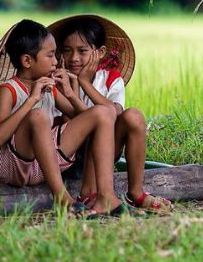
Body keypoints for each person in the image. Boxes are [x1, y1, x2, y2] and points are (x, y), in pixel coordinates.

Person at [0, 18, 126, 218]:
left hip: (44, 164)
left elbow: (85, 120)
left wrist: (70, 92)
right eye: (50, 55)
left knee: (103, 112)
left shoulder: (49, 87)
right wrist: (31, 100)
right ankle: (62, 197)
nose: (56, 62)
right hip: (10, 166)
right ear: (27, 61)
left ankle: (105, 196)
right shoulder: (8, 90)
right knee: (38, 116)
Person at [53, 15, 173, 214]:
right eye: (67, 50)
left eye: (82, 51)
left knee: (133, 116)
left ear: (100, 53)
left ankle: (136, 193)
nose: (74, 58)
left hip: (105, 151)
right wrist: (71, 89)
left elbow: (114, 112)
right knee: (96, 124)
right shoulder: (57, 80)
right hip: (68, 155)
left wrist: (84, 83)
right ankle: (89, 192)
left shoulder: (110, 79)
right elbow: (68, 123)